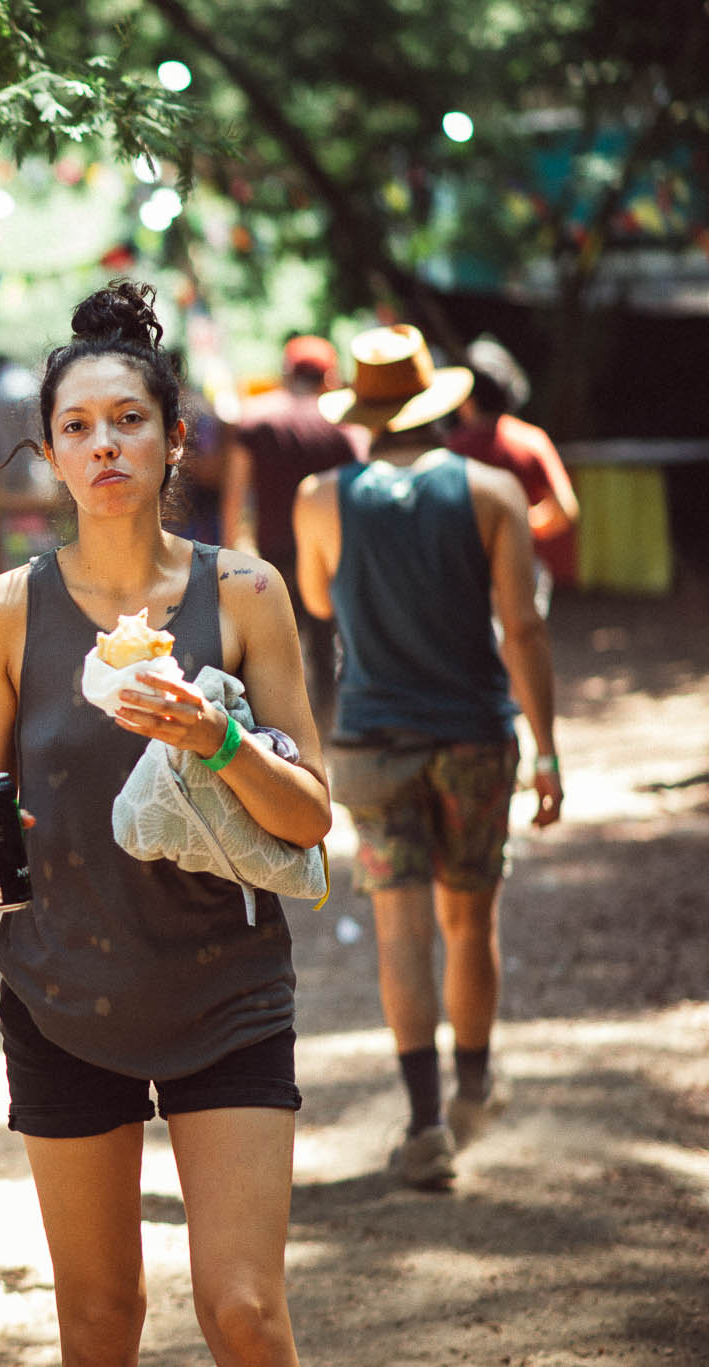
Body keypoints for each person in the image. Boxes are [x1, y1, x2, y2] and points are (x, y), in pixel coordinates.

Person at [0, 282, 329, 1366]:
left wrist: (218, 741)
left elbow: (309, 818)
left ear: (172, 440)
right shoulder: (2, 612)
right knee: (99, 1319)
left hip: (226, 986)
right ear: (48, 454)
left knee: (242, 1308)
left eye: (127, 420)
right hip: (62, 993)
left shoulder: (242, 593)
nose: (102, 444)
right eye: (75, 427)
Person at [293, 324, 563, 1190]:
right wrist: (548, 749)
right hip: (475, 737)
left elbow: (315, 595)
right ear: (435, 402)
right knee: (469, 920)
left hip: (371, 743)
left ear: (364, 411)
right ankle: (476, 1086)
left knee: (401, 929)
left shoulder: (319, 497)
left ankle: (423, 1125)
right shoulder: (491, 491)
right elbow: (523, 626)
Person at [221, 335, 364, 736]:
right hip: (333, 557)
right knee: (329, 646)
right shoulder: (344, 424)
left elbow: (235, 494)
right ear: (329, 375)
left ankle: (284, 735)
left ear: (287, 371)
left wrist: (230, 553)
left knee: (275, 651)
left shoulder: (257, 418)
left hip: (273, 556)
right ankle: (332, 730)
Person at [446, 336, 579, 615]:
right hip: (521, 563)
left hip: (464, 568)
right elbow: (566, 509)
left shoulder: (452, 448)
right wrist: (520, 524)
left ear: (467, 399)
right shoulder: (531, 441)